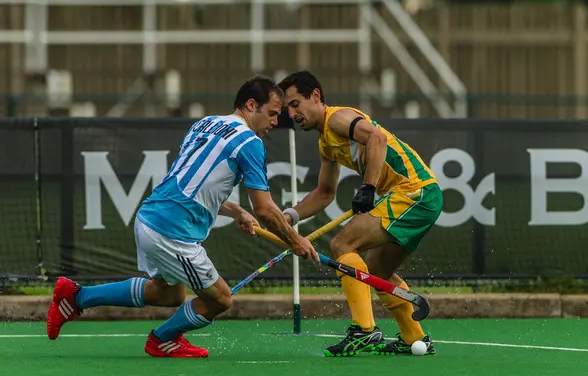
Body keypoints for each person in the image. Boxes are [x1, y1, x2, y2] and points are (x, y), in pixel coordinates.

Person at [46, 75, 319, 358]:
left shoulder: (206, 123)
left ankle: (76, 296)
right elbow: (265, 209)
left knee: (168, 295)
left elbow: (192, 182)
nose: (275, 122)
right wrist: (294, 241)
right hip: (172, 233)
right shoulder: (250, 142)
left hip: (149, 217)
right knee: (220, 299)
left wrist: (236, 210)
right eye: (272, 113)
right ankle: (162, 339)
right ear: (251, 105)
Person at [277, 70, 442, 357]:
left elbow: (376, 138)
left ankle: (365, 330)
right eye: (287, 109)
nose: (292, 114)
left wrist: (368, 187)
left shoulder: (338, 119)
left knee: (342, 244)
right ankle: (414, 338)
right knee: (377, 271)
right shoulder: (326, 142)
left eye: (295, 104)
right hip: (417, 196)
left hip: (414, 192)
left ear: (316, 96)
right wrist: (290, 215)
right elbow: (325, 193)